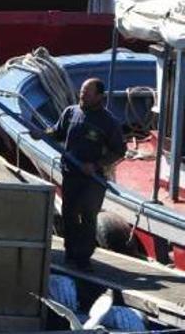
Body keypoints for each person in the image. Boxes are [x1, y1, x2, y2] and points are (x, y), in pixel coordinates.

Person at [31, 78, 126, 270]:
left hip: (92, 179)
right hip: (70, 174)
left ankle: (84, 259)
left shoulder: (108, 122)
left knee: (88, 217)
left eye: (87, 93)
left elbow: (119, 151)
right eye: (82, 91)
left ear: (99, 97)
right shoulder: (70, 112)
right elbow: (57, 132)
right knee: (69, 215)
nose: (82, 95)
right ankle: (70, 253)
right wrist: (42, 134)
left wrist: (96, 164)